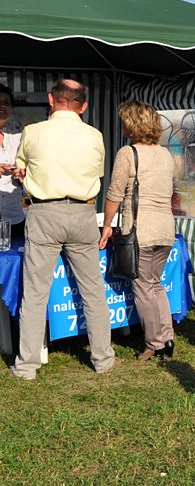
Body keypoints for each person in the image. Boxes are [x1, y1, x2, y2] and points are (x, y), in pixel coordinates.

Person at [9, 79, 117, 380]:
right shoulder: (95, 135)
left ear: (50, 100)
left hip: (44, 212)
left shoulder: (33, 132)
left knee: (35, 292)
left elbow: (21, 169)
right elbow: (97, 173)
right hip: (83, 212)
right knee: (93, 290)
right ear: (84, 106)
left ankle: (27, 365)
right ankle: (103, 358)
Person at [99, 101, 176, 361]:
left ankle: (154, 343)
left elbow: (114, 194)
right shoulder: (166, 155)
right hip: (165, 229)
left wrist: (107, 226)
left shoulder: (128, 153)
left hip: (140, 230)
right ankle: (167, 337)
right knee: (155, 284)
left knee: (143, 287)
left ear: (131, 125)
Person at [0, 83, 26, 238]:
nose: (2, 106)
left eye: (6, 103)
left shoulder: (17, 138)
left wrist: (22, 173)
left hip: (14, 217)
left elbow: (28, 170)